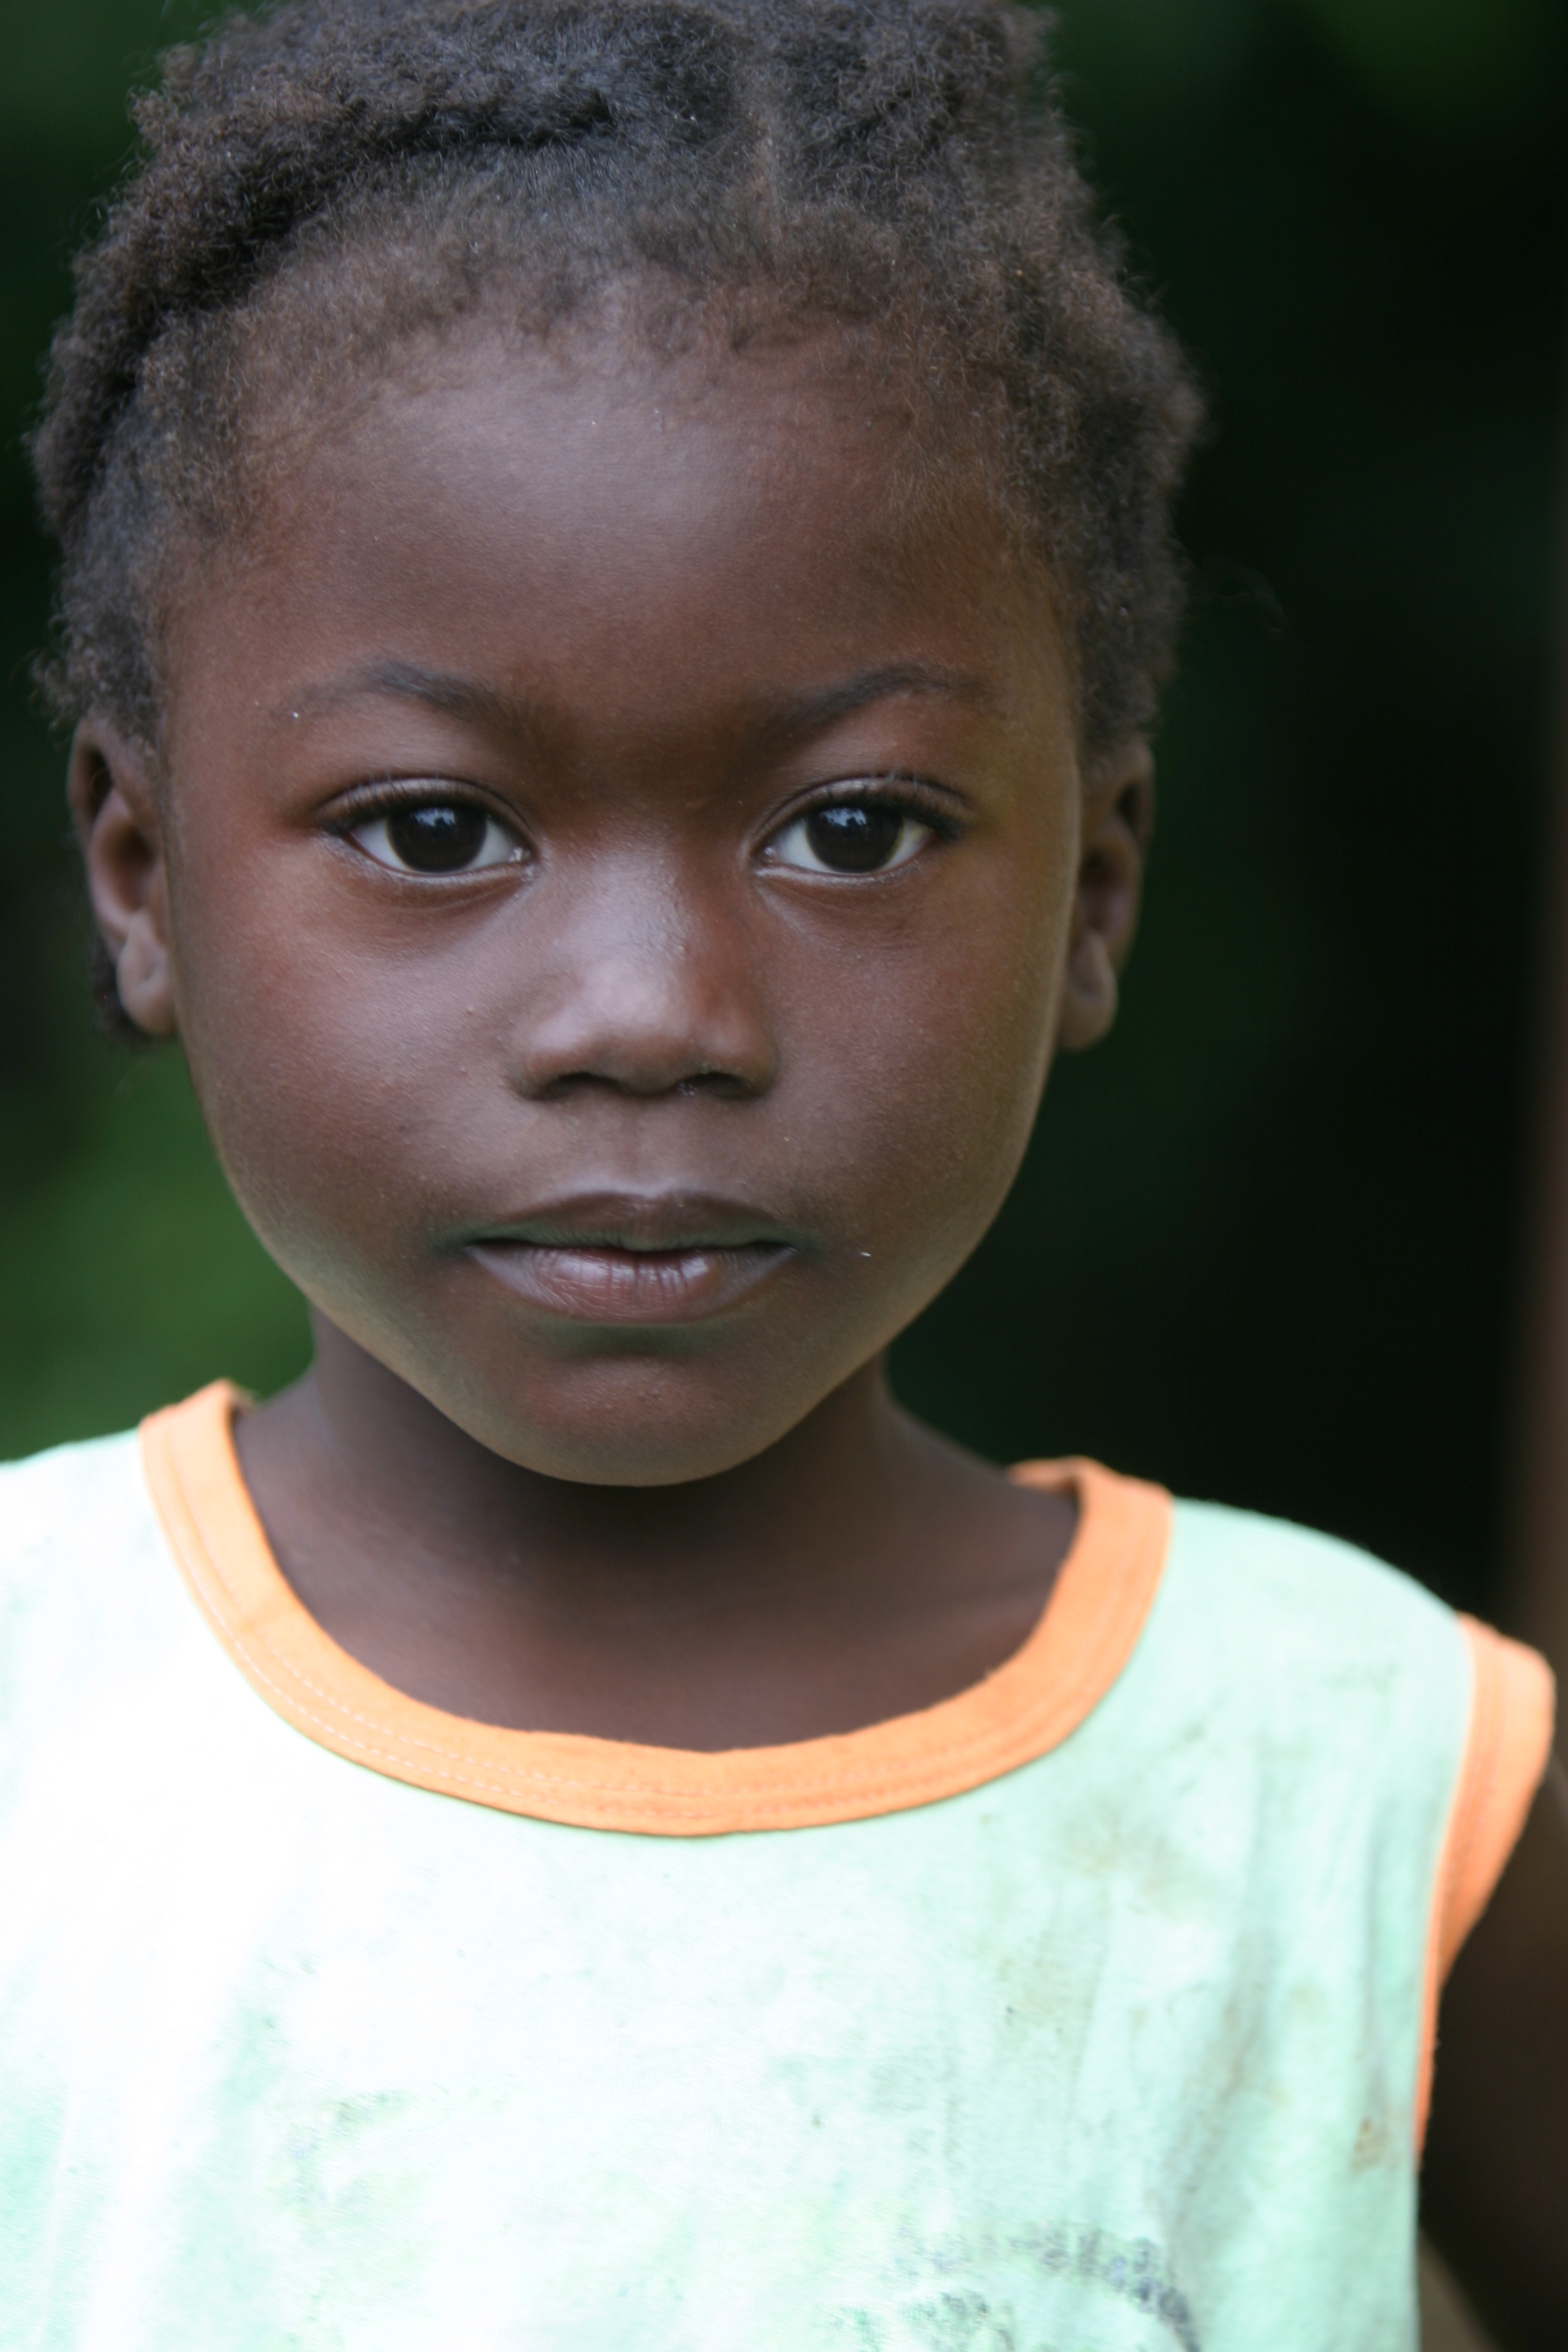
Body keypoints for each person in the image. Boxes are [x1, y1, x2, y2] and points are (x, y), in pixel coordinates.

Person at [2, 1, 1563, 2343]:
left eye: (853, 828)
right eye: (439, 832)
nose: (650, 1010)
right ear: (140, 875)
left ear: (1097, 892)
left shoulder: (1372, 1795)